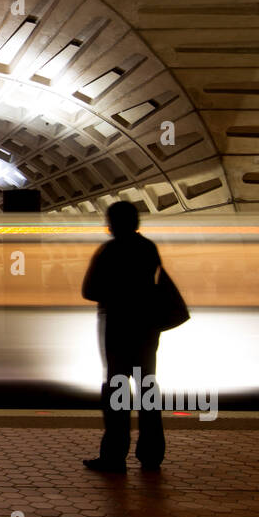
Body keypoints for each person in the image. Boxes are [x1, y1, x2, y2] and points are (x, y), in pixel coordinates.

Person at [82, 201, 164, 473]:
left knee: (117, 389)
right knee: (147, 388)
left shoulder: (110, 250)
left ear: (114, 223)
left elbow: (89, 290)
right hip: (146, 328)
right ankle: (151, 454)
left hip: (118, 328)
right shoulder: (148, 248)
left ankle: (114, 457)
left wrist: (114, 292)